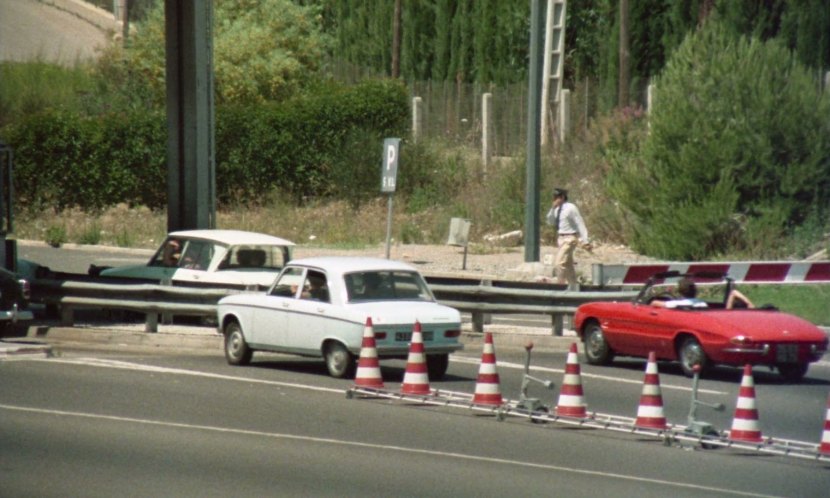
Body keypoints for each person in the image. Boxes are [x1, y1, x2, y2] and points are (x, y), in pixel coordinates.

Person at [546, 188, 590, 286]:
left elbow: (580, 223)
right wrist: (552, 209)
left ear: (562, 197)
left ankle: (560, 285)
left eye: (557, 197)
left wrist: (585, 240)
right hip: (561, 238)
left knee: (559, 263)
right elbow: (550, 222)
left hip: (570, 238)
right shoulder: (556, 209)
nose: (555, 199)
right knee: (568, 265)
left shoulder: (571, 208)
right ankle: (573, 286)